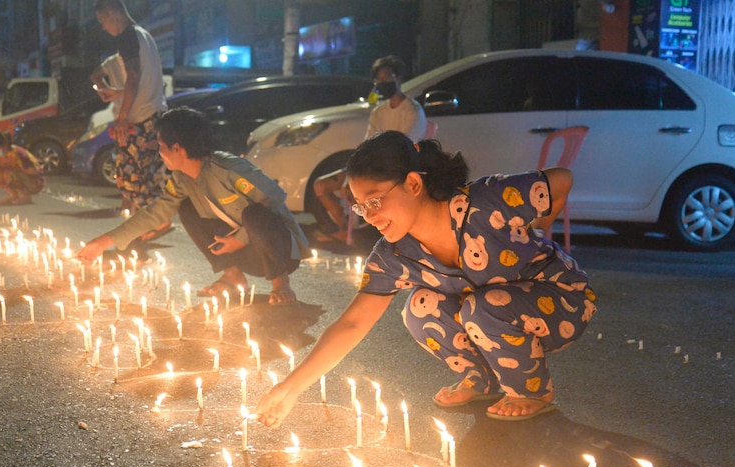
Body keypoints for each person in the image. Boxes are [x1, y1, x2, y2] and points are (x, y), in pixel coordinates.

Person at [256, 130, 597, 428]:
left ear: (414, 184)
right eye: (360, 206)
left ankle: (531, 392)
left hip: (560, 303)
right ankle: (481, 376)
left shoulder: (487, 202)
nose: (370, 216)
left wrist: (532, 230)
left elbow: (562, 178)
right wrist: (290, 388)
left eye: (375, 200)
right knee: (420, 307)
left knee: (483, 308)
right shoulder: (394, 255)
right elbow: (352, 324)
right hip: (491, 317)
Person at [78, 107, 309, 305]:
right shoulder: (181, 179)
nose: (160, 153)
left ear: (177, 148)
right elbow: (155, 212)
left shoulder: (229, 169)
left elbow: (275, 197)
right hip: (242, 253)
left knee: (256, 212)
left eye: (161, 146)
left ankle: (281, 284)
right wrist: (103, 242)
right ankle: (233, 275)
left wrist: (241, 239)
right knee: (186, 207)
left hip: (281, 252)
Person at [314, 55, 427, 242]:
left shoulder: (412, 110)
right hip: (370, 167)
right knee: (321, 185)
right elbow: (366, 145)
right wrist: (350, 174)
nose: (383, 82)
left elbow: (407, 147)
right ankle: (344, 229)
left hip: (392, 170)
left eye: (387, 77)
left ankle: (366, 232)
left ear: (399, 78)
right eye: (379, 79)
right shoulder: (379, 112)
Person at [91, 0, 167, 221]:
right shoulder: (144, 35)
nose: (104, 27)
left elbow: (133, 76)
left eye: (103, 20)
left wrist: (122, 117)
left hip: (139, 119)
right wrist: (117, 93)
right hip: (153, 114)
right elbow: (140, 81)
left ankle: (152, 222)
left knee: (131, 175)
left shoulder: (127, 37)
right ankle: (148, 222)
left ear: (114, 13)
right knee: (146, 174)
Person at [0, 131, 45, 205]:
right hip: (18, 176)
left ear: (4, 146)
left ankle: (26, 197)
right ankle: (14, 195)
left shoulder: (17, 153)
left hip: (35, 182)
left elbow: (34, 171)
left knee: (8, 174)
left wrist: (12, 169)